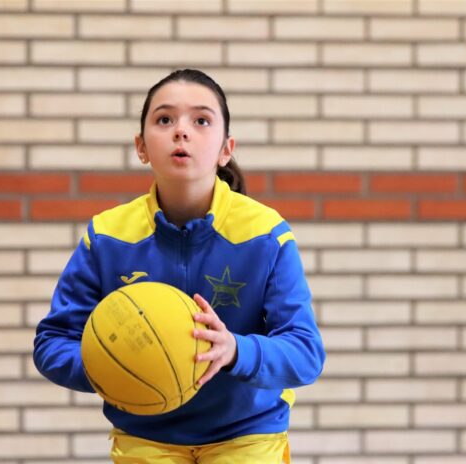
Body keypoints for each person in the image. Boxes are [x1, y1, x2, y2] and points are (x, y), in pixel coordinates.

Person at [34, 69, 326, 463]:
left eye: (201, 120)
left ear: (226, 148)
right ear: (141, 147)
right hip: (145, 435)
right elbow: (52, 343)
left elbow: (305, 353)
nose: (181, 131)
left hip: (247, 435)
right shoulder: (105, 237)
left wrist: (234, 351)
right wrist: (116, 365)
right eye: (164, 119)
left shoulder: (266, 234)